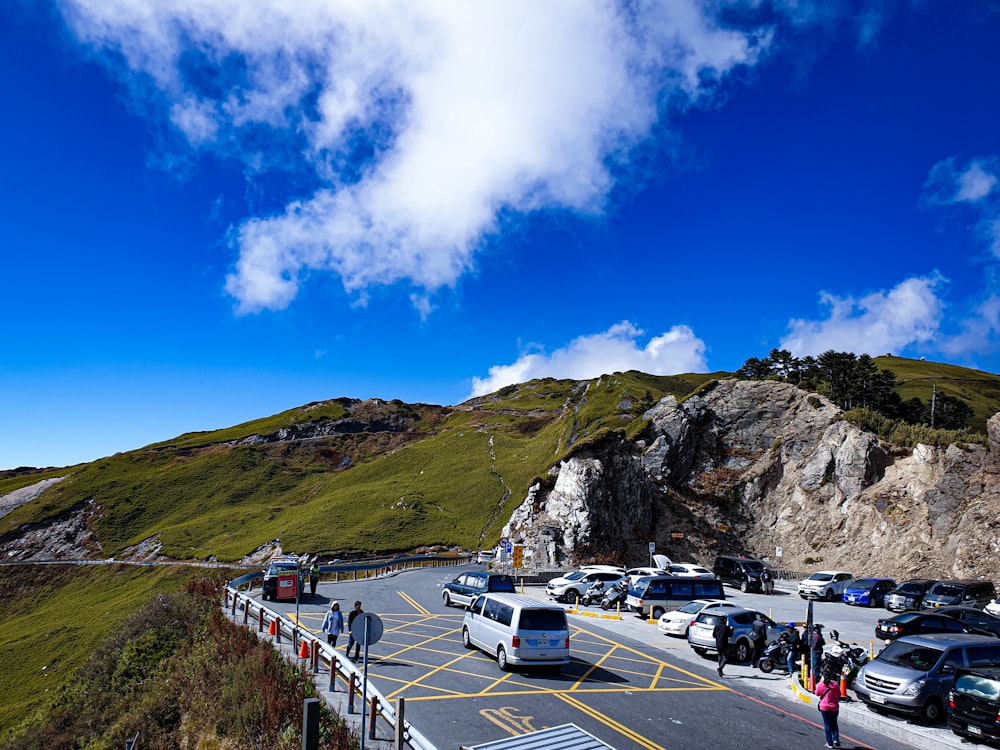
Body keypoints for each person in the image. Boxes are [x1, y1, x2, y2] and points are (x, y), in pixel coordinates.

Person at [815, 669, 841, 747]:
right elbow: (839, 695)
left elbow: (817, 694)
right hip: (834, 708)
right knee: (834, 724)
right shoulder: (835, 685)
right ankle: (836, 738)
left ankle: (829, 743)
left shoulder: (820, 685)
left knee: (827, 724)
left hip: (824, 708)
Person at [712, 612, 732, 677]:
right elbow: (730, 635)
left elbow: (714, 635)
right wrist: (732, 630)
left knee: (720, 656)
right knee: (725, 657)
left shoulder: (716, 626)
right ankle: (720, 668)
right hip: (725, 644)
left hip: (718, 643)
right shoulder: (726, 628)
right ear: (724, 620)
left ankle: (720, 669)